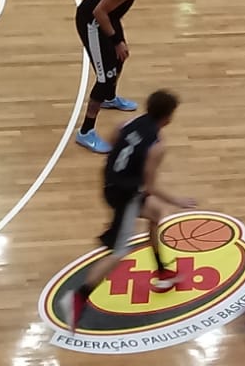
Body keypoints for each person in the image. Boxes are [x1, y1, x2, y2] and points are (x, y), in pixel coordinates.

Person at [58, 90, 196, 332]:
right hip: (125, 195)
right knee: (119, 252)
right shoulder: (157, 146)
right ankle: (78, 297)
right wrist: (178, 200)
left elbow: (113, 142)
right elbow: (150, 186)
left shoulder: (128, 123)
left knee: (156, 214)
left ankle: (162, 271)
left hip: (109, 183)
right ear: (169, 117)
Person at [74, 0, 172, 153]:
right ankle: (86, 132)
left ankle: (109, 98)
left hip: (109, 17)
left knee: (120, 57)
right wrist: (116, 40)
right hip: (93, 22)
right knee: (104, 78)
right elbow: (99, 12)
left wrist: (119, 43)